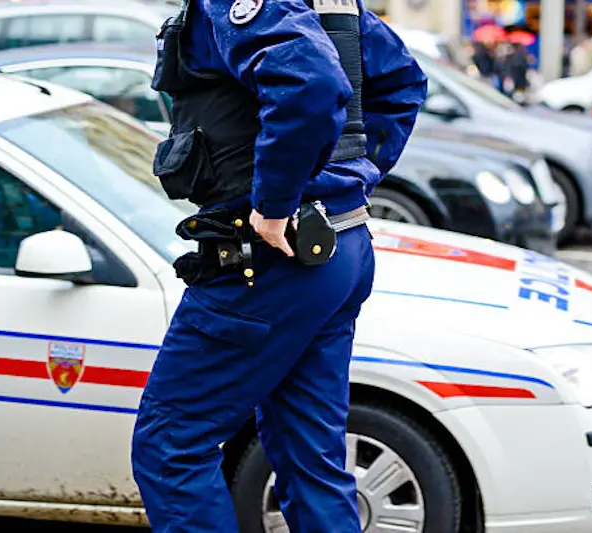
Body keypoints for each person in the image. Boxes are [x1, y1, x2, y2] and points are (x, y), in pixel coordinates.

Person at [130, 0, 427, 532]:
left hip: (270, 260)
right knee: (310, 460)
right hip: (338, 246)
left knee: (171, 445)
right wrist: (345, 182)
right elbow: (402, 82)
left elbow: (312, 84)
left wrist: (277, 202)